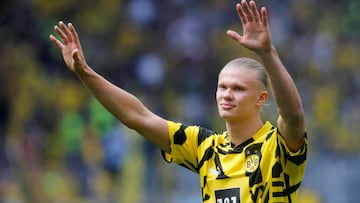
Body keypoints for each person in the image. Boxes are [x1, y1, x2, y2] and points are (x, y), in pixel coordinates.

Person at [49, 0, 307, 202]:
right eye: (222, 87)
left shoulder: (278, 146)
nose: (227, 94)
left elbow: (293, 115)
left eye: (238, 89)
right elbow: (138, 117)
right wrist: (85, 73)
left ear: (261, 98)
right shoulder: (205, 147)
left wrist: (267, 53)